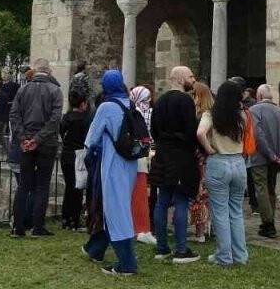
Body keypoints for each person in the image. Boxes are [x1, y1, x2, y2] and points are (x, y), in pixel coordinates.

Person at [83, 70, 140, 276]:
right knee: (119, 207)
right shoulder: (130, 103)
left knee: (115, 212)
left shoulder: (107, 106)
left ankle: (127, 263)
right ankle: (95, 248)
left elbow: (91, 139)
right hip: (130, 163)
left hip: (113, 163)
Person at [149, 66, 200, 263]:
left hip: (163, 155)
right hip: (180, 158)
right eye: (190, 76)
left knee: (162, 201)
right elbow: (190, 131)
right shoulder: (185, 100)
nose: (193, 80)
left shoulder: (160, 101)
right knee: (180, 200)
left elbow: (154, 130)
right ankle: (180, 249)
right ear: (179, 79)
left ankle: (162, 247)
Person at [197, 80, 250, 266]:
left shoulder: (211, 114)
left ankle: (224, 255)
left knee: (220, 212)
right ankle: (240, 255)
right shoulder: (243, 115)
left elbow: (200, 133)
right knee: (236, 211)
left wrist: (209, 149)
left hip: (218, 161)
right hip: (238, 162)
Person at [9, 58, 63, 237]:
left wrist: (24, 138)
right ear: (48, 72)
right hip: (46, 143)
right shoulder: (55, 90)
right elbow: (55, 120)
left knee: (24, 184)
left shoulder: (22, 90)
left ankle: (18, 227)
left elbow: (14, 115)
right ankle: (37, 226)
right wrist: (38, 139)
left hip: (27, 142)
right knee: (42, 185)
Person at [248, 83, 280, 239]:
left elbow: (258, 135)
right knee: (271, 188)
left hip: (260, 157)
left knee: (261, 189)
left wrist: (271, 154)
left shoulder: (253, 111)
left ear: (259, 96)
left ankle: (268, 223)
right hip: (277, 157)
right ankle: (269, 220)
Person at [129, 85, 156, 246]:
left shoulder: (131, 112)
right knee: (140, 193)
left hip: (139, 155)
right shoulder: (138, 114)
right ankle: (141, 227)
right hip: (142, 156)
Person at [187, 81, 214, 243]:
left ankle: (200, 232)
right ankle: (206, 229)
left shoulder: (201, 115)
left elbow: (200, 134)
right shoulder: (212, 113)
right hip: (207, 159)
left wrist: (207, 149)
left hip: (200, 159)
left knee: (199, 197)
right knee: (205, 196)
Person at [60, 90, 90, 232]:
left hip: (66, 154)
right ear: (83, 104)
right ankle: (74, 219)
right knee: (77, 188)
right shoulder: (84, 119)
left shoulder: (66, 118)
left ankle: (66, 217)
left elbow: (61, 133)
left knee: (69, 186)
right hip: (78, 154)